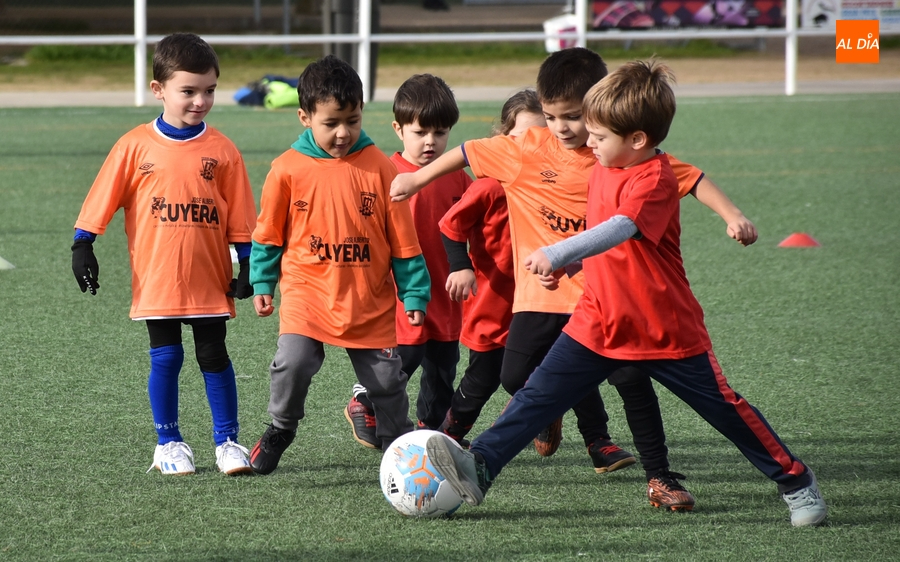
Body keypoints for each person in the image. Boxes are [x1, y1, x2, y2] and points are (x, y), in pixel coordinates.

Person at [424, 59, 828, 528]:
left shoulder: (653, 177)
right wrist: (574, 263)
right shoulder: (604, 165)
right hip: (598, 321)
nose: (586, 142)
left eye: (597, 135)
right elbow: (607, 242)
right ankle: (482, 465)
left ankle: (796, 481)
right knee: (537, 394)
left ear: (637, 139)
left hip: (662, 328)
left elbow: (621, 228)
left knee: (725, 410)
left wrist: (558, 253)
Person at [71, 32, 258, 476]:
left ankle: (227, 441)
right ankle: (168, 442)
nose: (200, 101)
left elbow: (242, 214)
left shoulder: (223, 150)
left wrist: (249, 262)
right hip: (157, 275)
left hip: (210, 275)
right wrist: (84, 242)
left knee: (214, 355)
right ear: (159, 90)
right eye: (188, 91)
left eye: (209, 90)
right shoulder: (135, 145)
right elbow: (104, 196)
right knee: (167, 356)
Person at [247, 55, 430, 475]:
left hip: (368, 301)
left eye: (353, 119)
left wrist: (415, 292)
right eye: (331, 123)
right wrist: (262, 283)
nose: (344, 132)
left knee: (387, 382)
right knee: (291, 364)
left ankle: (397, 444)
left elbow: (404, 240)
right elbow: (268, 235)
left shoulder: (382, 168)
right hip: (307, 297)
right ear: (304, 116)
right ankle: (280, 428)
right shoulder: (286, 169)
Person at [344, 74, 471, 449]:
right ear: (399, 129)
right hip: (402, 292)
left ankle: (430, 434)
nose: (431, 141)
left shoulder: (458, 179)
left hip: (445, 293)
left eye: (441, 132)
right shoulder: (384, 173)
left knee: (443, 369)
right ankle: (364, 400)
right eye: (420, 132)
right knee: (404, 358)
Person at [436, 89, 543, 444]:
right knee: (483, 377)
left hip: (542, 297)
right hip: (493, 298)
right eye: (520, 137)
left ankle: (597, 441)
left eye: (541, 136)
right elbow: (451, 225)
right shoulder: (488, 186)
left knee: (561, 366)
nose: (530, 145)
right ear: (502, 138)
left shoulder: (553, 186)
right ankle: (449, 436)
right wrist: (460, 265)